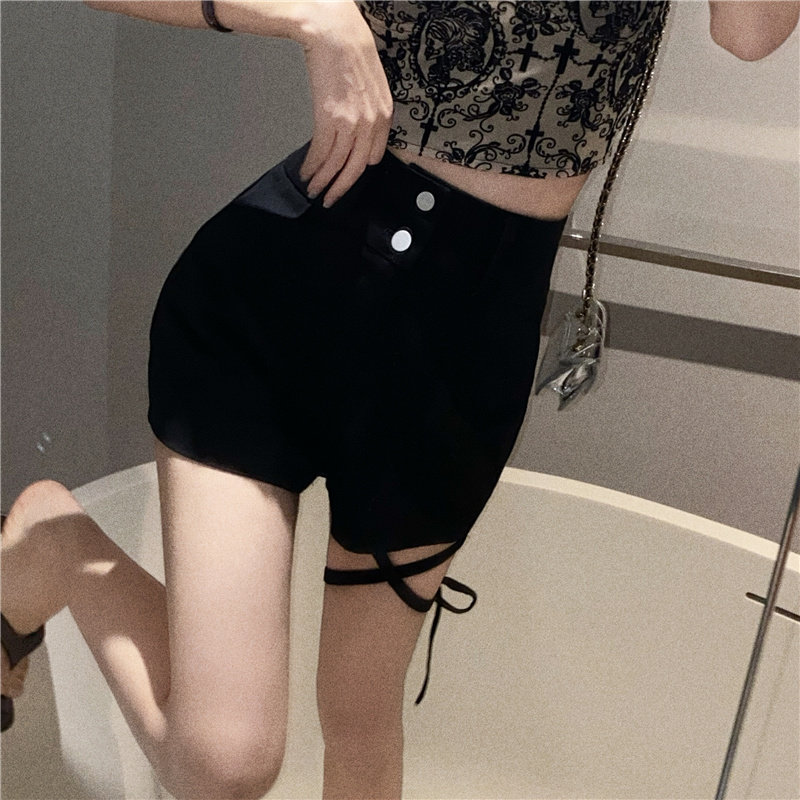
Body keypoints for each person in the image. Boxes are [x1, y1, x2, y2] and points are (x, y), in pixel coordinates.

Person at [2, 2, 798, 799]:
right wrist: (310, 14)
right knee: (224, 762)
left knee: (361, 718)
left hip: (462, 361)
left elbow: (749, 32)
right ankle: (58, 543)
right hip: (275, 307)